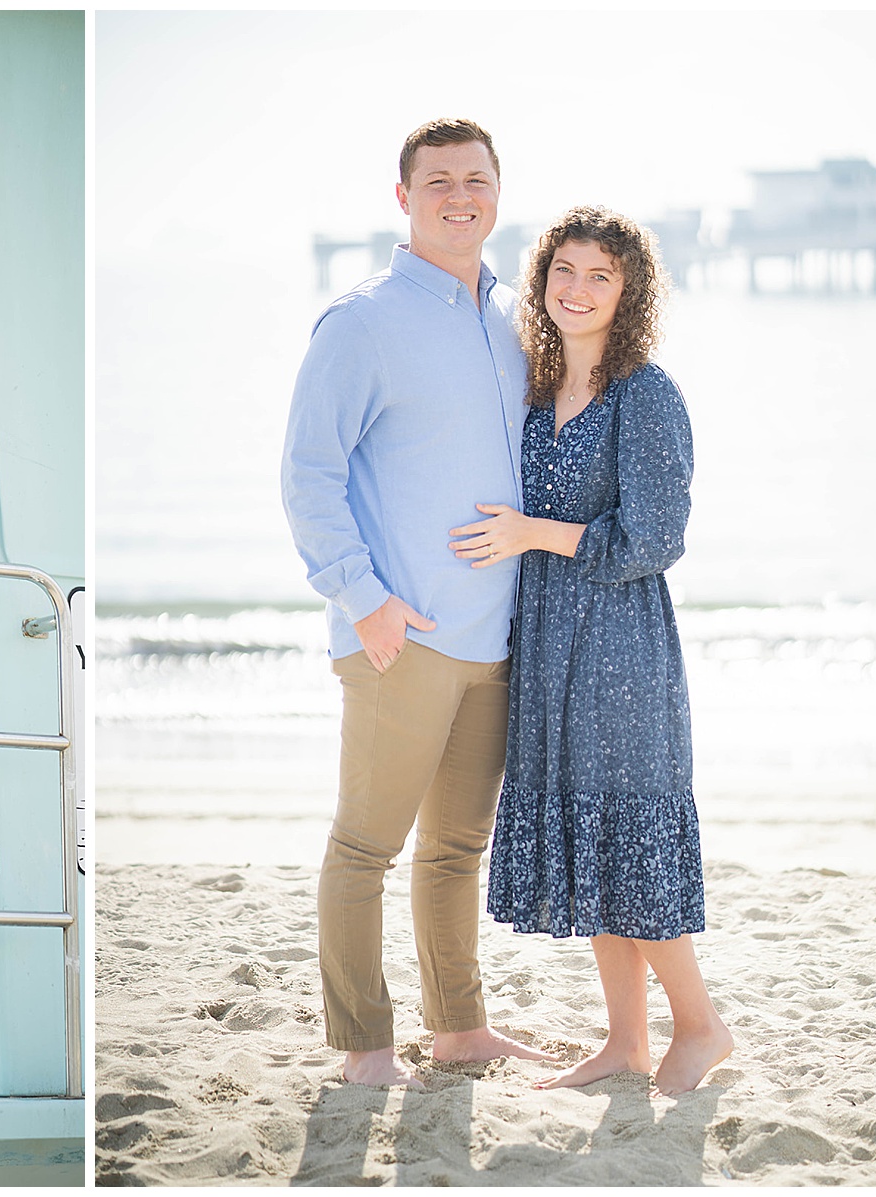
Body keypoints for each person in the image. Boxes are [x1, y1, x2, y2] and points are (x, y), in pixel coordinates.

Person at [281, 119, 554, 1089]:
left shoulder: (516, 318)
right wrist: (365, 602)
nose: (459, 196)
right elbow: (306, 475)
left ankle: (459, 1031)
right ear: (403, 197)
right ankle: (363, 1048)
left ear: (496, 191)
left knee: (455, 848)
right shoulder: (360, 323)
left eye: (476, 179)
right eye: (437, 181)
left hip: (497, 637)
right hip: (401, 635)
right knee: (364, 847)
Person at [451, 206, 732, 1096]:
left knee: (633, 847)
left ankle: (702, 1024)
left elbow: (654, 536)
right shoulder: (533, 390)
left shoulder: (645, 392)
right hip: (546, 646)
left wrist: (536, 531)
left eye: (600, 275)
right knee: (599, 849)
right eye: (563, 270)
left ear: (629, 290)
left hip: (621, 647)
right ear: (541, 281)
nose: (578, 289)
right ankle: (625, 1042)